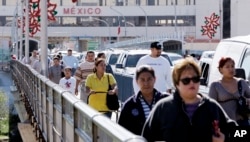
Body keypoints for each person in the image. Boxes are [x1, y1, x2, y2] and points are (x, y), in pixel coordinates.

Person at [142, 58, 236, 142]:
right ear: (177, 84)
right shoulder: (164, 108)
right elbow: (144, 138)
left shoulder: (211, 106)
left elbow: (241, 134)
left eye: (195, 79)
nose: (192, 83)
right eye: (186, 80)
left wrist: (225, 139)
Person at [118, 65, 169, 135]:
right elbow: (121, 131)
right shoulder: (129, 105)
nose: (146, 83)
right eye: (142, 80)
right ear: (136, 81)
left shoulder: (166, 101)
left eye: (149, 79)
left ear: (155, 79)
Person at [208, 57, 250, 124]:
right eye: (227, 67)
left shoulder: (242, 83)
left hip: (242, 122)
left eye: (232, 66)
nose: (231, 69)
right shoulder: (215, 85)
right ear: (221, 69)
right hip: (224, 124)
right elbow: (211, 107)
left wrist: (247, 101)